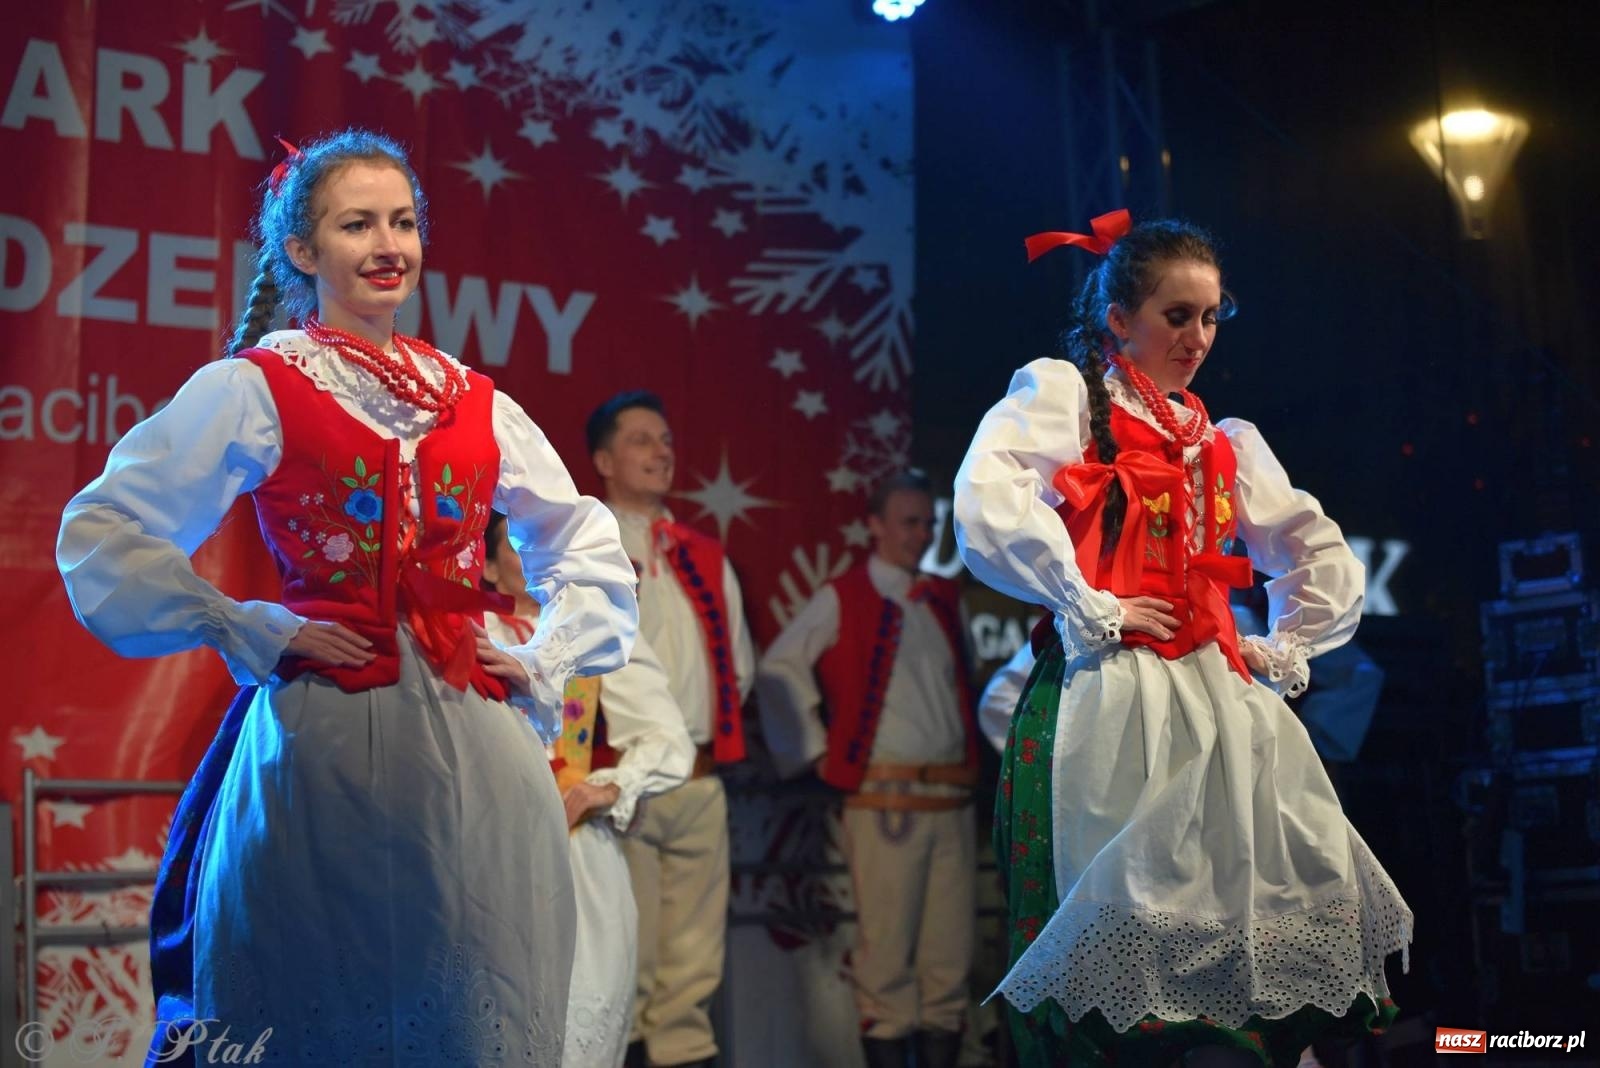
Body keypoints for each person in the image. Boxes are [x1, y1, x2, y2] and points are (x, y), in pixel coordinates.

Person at [56, 130, 639, 1065]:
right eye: (357, 223)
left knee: (474, 981)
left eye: (403, 222)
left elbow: (584, 543)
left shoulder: (472, 398)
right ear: (302, 250)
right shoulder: (258, 385)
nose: (388, 245)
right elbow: (103, 530)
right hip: (323, 737)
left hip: (473, 744)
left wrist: (541, 656)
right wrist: (249, 623)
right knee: (326, 982)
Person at [953, 212, 1413, 1067]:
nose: (1198, 337)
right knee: (1127, 907)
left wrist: (1287, 640)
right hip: (1111, 691)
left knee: (1247, 899)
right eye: (1177, 316)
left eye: (1211, 316)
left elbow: (1310, 543)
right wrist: (1087, 599)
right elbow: (990, 494)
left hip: (1217, 697)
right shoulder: (1069, 396)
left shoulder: (1223, 439)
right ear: (1117, 319)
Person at [757, 470, 979, 1068]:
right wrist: (816, 753)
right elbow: (779, 668)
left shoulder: (940, 597)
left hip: (951, 803)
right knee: (885, 970)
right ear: (875, 526)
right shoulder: (845, 595)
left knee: (948, 968)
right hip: (884, 805)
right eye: (909, 522)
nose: (921, 535)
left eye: (928, 524)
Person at [482, 512, 695, 1068]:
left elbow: (668, 737)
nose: (535, 554)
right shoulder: (460, 631)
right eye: (518, 543)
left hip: (575, 855)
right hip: (486, 851)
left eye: (546, 542)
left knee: (582, 1027)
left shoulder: (591, 633)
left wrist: (607, 785)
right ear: (486, 565)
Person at [585, 391, 756, 1068]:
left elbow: (735, 669)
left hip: (697, 781)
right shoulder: (582, 542)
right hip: (619, 781)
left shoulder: (702, 554)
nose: (661, 452)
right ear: (602, 459)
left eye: (666, 440)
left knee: (691, 975)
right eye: (640, 441)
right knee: (625, 959)